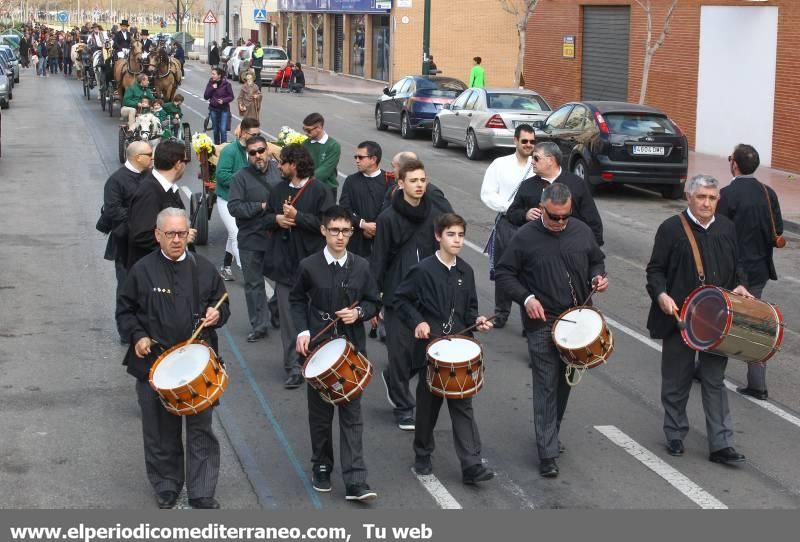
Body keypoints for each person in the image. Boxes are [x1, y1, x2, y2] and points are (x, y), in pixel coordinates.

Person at [116, 207, 230, 510]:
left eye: (182, 233)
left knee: (202, 431)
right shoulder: (141, 270)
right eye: (171, 234)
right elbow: (125, 311)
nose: (177, 240)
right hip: (154, 364)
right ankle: (166, 485)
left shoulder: (205, 269)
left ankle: (202, 491)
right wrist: (138, 336)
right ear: (158, 235)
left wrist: (217, 315)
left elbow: (223, 306)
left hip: (197, 368)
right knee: (159, 431)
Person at [495, 182, 608, 478]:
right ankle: (547, 453)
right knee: (546, 384)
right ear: (542, 208)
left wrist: (598, 277)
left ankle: (550, 434)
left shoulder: (581, 231)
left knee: (564, 383)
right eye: (554, 216)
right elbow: (504, 273)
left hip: (578, 322)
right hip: (543, 323)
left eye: (564, 216)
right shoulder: (524, 237)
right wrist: (527, 298)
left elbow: (597, 260)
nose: (559, 222)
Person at [645, 174, 750, 465]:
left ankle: (722, 444)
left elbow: (737, 265)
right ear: (689, 197)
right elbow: (655, 271)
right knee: (676, 380)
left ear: (718, 200)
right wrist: (662, 295)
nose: (707, 203)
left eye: (712, 198)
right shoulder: (671, 229)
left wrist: (741, 284)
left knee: (715, 380)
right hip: (680, 319)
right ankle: (675, 433)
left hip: (717, 322)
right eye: (701, 197)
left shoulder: (727, 228)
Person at [394, 213, 495, 484]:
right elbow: (400, 300)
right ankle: (423, 454)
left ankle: (472, 464)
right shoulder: (423, 270)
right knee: (428, 408)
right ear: (438, 237)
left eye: (461, 235)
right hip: (431, 349)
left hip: (459, 350)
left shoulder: (466, 271)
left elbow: (470, 308)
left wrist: (477, 321)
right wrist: (419, 322)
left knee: (463, 406)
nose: (457, 240)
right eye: (451, 234)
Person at [290, 205, 381, 502]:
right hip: (318, 350)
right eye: (335, 231)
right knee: (320, 415)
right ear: (323, 231)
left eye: (346, 231)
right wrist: (302, 332)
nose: (340, 237)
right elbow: (295, 299)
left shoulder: (362, 266)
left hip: (351, 351)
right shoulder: (308, 265)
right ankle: (321, 465)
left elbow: (374, 302)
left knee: (352, 415)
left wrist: (360, 312)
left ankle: (356, 479)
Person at [370, 159, 454, 431]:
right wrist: (375, 302)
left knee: (423, 353)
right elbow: (379, 260)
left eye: (423, 180)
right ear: (401, 184)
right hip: (397, 297)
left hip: (426, 297)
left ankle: (395, 377)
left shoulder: (434, 217)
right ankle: (404, 406)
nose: (419, 185)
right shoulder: (388, 218)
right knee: (400, 351)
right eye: (414, 180)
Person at [263, 144, 334, 388]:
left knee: (318, 318)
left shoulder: (320, 190)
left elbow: (327, 225)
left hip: (313, 267)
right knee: (289, 322)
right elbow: (264, 219)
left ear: (294, 164)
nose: (279, 166)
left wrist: (297, 217)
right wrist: (276, 219)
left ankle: (315, 363)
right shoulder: (278, 189)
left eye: (282, 162)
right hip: (285, 266)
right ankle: (293, 367)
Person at [718, 144, 783, 401]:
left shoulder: (726, 195)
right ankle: (757, 383)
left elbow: (718, 233)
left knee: (721, 317)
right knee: (755, 322)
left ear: (734, 164)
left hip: (734, 271)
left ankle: (709, 370)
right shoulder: (768, 193)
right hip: (760, 271)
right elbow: (776, 230)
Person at [228, 135, 283, 342]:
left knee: (286, 278)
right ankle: (259, 325)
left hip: (277, 236)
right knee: (254, 284)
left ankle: (275, 310)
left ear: (268, 150)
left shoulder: (280, 172)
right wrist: (261, 207)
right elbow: (234, 207)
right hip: (251, 237)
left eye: (261, 151)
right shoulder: (239, 178)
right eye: (253, 153)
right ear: (248, 155)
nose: (258, 155)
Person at [480, 124, 535, 328]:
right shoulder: (500, 164)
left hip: (533, 226)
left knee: (530, 273)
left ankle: (529, 319)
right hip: (507, 223)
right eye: (524, 141)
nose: (529, 145)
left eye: (532, 141)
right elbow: (487, 193)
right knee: (506, 269)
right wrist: (509, 208)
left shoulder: (537, 165)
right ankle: (501, 313)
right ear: (515, 141)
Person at [507, 141, 604, 247]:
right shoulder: (527, 185)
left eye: (536, 158)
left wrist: (592, 248)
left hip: (570, 246)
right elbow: (511, 213)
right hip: (535, 248)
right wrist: (525, 215)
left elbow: (592, 220)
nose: (532, 162)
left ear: (550, 160)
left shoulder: (576, 184)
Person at [101, 140, 152, 339]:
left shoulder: (149, 176)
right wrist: (141, 217)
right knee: (126, 287)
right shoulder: (116, 181)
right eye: (149, 155)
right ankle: (127, 331)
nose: (152, 158)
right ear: (138, 158)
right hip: (125, 245)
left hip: (147, 242)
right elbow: (113, 210)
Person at [126, 140, 194, 269]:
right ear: (178, 164)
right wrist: (179, 238)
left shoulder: (165, 186)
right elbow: (141, 236)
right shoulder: (149, 192)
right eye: (185, 161)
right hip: (153, 273)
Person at [215, 117, 263, 281]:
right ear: (243, 133)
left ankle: (226, 267)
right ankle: (249, 273)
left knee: (232, 234)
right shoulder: (230, 151)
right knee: (236, 234)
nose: (256, 136)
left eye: (258, 133)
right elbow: (221, 176)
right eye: (253, 134)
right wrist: (243, 183)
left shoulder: (254, 151)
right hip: (227, 200)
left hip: (244, 202)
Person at [338, 141, 390, 259]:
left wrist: (376, 228)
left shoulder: (389, 181)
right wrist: (363, 224)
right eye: (356, 157)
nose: (357, 160)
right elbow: (344, 208)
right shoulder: (351, 181)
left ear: (373, 159)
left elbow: (391, 209)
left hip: (382, 241)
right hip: (356, 241)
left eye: (360, 157)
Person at [302, 112, 341, 202]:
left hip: (327, 189)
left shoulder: (333, 145)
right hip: (308, 187)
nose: (306, 133)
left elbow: (325, 170)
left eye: (308, 130)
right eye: (304, 129)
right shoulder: (305, 144)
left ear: (319, 128)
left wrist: (304, 181)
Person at [204, 68, 234, 144]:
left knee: (223, 130)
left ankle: (224, 147)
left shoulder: (227, 84)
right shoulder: (210, 83)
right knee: (215, 130)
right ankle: (217, 146)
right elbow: (206, 96)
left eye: (214, 74)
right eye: (212, 74)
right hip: (213, 109)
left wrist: (223, 100)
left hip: (224, 109)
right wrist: (212, 88)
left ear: (219, 75)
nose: (212, 75)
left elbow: (231, 96)